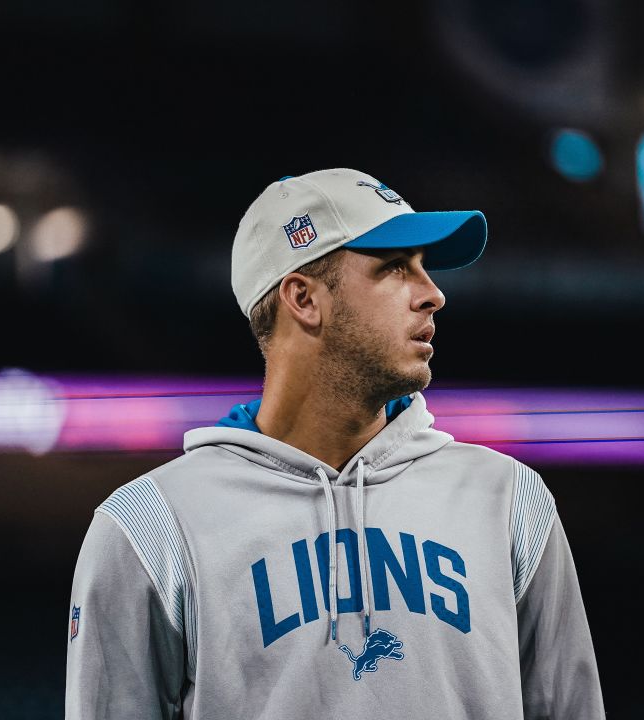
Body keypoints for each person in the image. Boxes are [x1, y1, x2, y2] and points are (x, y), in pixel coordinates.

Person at [66, 168, 606, 719]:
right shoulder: (151, 526)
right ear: (304, 298)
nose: (433, 295)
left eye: (423, 268)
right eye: (395, 268)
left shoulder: (509, 500)